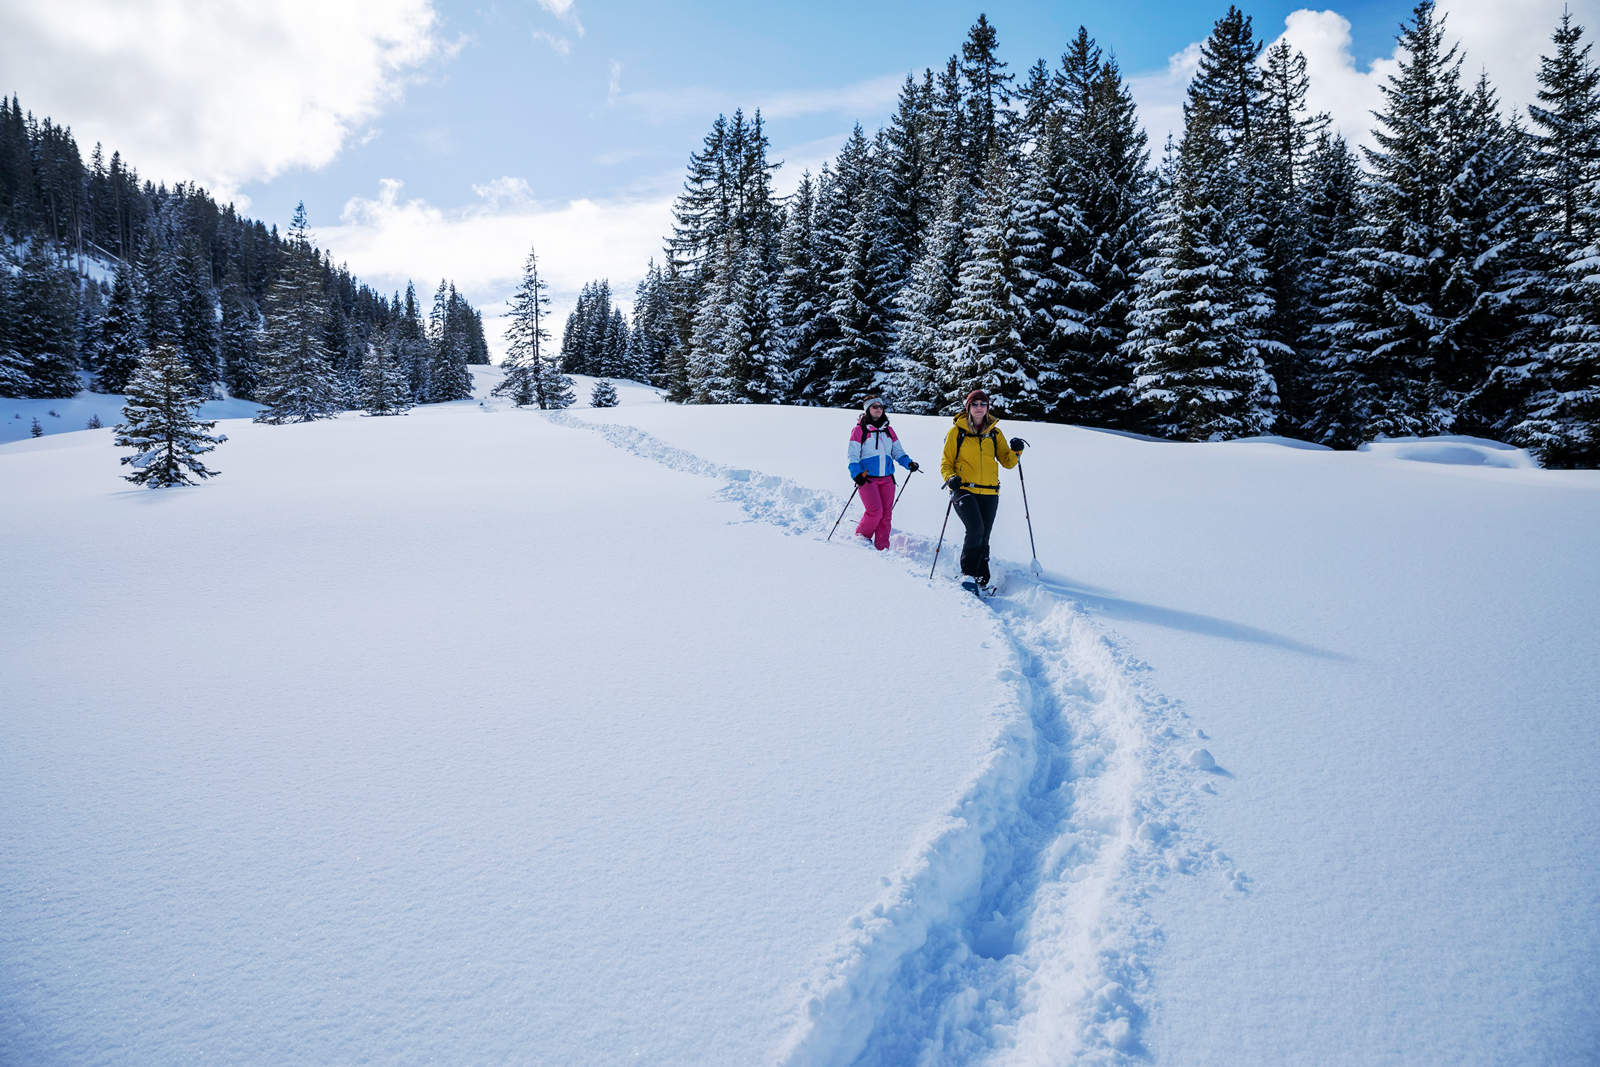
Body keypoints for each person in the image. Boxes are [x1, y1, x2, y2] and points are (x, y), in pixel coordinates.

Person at [939, 389, 1028, 592]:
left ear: (987, 407)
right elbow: (946, 463)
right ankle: (968, 574)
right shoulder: (956, 432)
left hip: (990, 492)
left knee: (984, 535)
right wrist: (950, 478)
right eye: (975, 404)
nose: (979, 408)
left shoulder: (995, 433)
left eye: (983, 404)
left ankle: (981, 579)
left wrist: (1017, 451)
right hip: (963, 489)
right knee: (975, 529)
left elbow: (1008, 462)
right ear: (968, 407)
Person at [848, 397, 919, 550]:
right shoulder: (859, 430)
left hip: (887, 479)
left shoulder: (888, 430)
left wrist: (908, 463)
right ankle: (862, 538)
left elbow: (897, 452)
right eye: (874, 406)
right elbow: (852, 455)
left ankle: (882, 548)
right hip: (867, 479)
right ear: (867, 409)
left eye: (881, 406)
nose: (878, 409)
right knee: (875, 511)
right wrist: (856, 474)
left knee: (886, 516)